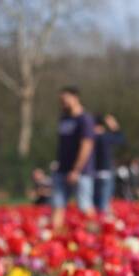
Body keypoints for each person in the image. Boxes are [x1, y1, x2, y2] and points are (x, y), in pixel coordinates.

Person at [51, 86, 96, 230]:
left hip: (81, 172)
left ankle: (95, 234)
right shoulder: (63, 119)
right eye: (61, 101)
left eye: (65, 100)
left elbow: (86, 145)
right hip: (62, 169)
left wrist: (76, 169)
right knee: (57, 204)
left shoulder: (85, 120)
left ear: (75, 98)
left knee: (84, 206)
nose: (62, 103)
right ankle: (54, 236)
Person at [92, 114, 125, 214]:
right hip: (105, 172)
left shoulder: (88, 138)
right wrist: (114, 126)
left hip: (91, 173)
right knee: (103, 203)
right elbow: (121, 139)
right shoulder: (105, 137)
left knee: (94, 202)